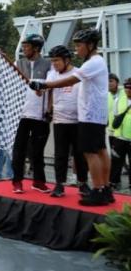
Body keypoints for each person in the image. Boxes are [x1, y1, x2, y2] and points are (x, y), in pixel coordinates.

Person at [29, 29, 111, 205]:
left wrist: (44, 85)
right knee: (101, 151)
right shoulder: (96, 62)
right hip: (93, 115)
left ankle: (97, 190)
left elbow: (70, 80)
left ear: (90, 45)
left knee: (90, 153)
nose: (77, 49)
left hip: (89, 115)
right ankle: (106, 189)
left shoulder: (92, 63)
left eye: (79, 45)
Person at [43, 45, 88, 197]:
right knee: (60, 155)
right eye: (52, 60)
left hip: (78, 121)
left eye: (57, 60)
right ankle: (59, 185)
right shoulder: (52, 74)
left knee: (80, 155)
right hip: (59, 121)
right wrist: (48, 110)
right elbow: (46, 90)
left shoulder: (78, 73)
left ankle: (82, 183)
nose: (54, 63)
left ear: (67, 59)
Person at [11, 34, 52, 194]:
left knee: (37, 151)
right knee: (19, 150)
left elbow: (53, 88)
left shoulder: (48, 65)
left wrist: (49, 108)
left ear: (36, 48)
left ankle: (39, 181)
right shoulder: (18, 64)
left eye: (27, 46)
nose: (23, 49)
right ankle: (17, 181)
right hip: (21, 115)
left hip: (40, 115)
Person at [109, 78, 131, 189]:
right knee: (116, 161)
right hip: (119, 137)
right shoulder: (119, 99)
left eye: (130, 87)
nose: (128, 89)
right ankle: (114, 182)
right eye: (126, 86)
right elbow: (115, 115)